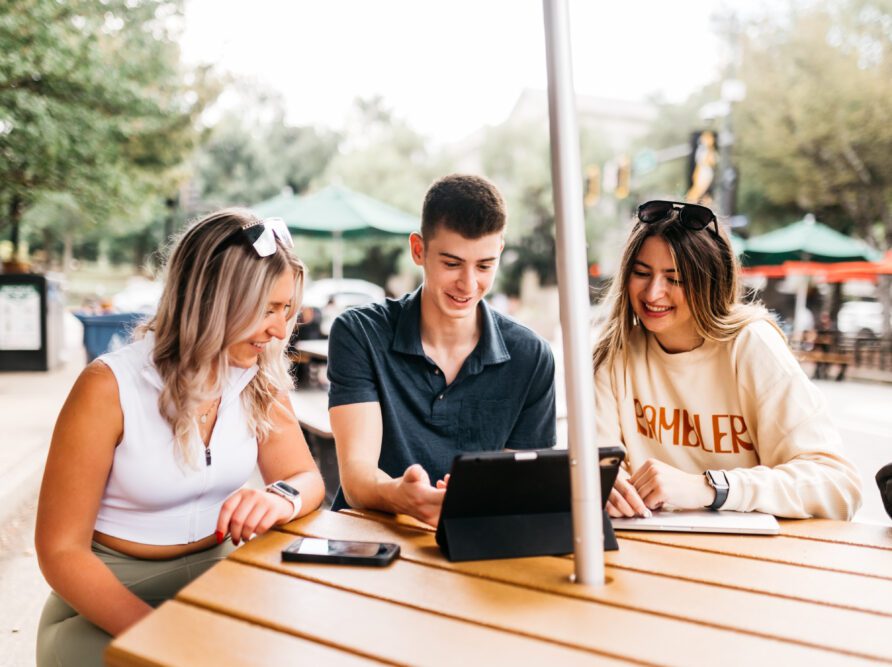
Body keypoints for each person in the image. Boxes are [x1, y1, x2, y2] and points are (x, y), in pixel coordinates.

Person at [35, 209, 325, 666]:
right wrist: (165, 637)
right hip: (106, 606)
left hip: (220, 586)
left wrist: (282, 497)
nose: (279, 331)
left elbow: (304, 476)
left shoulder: (259, 378)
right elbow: (60, 552)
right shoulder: (108, 386)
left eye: (287, 309)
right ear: (209, 301)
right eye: (267, 309)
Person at [593, 200, 862, 520]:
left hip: (751, 558)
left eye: (675, 279)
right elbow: (595, 461)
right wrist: (602, 484)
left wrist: (711, 489)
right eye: (641, 273)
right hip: (644, 549)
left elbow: (839, 487)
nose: (653, 293)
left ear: (711, 281)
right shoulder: (616, 352)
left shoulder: (751, 344)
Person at [327, 174, 556, 526]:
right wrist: (399, 496)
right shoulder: (359, 333)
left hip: (473, 543)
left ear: (500, 253)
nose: (468, 284)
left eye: (484, 266)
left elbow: (517, 489)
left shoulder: (531, 357)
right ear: (418, 250)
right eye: (451, 263)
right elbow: (357, 480)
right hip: (372, 539)